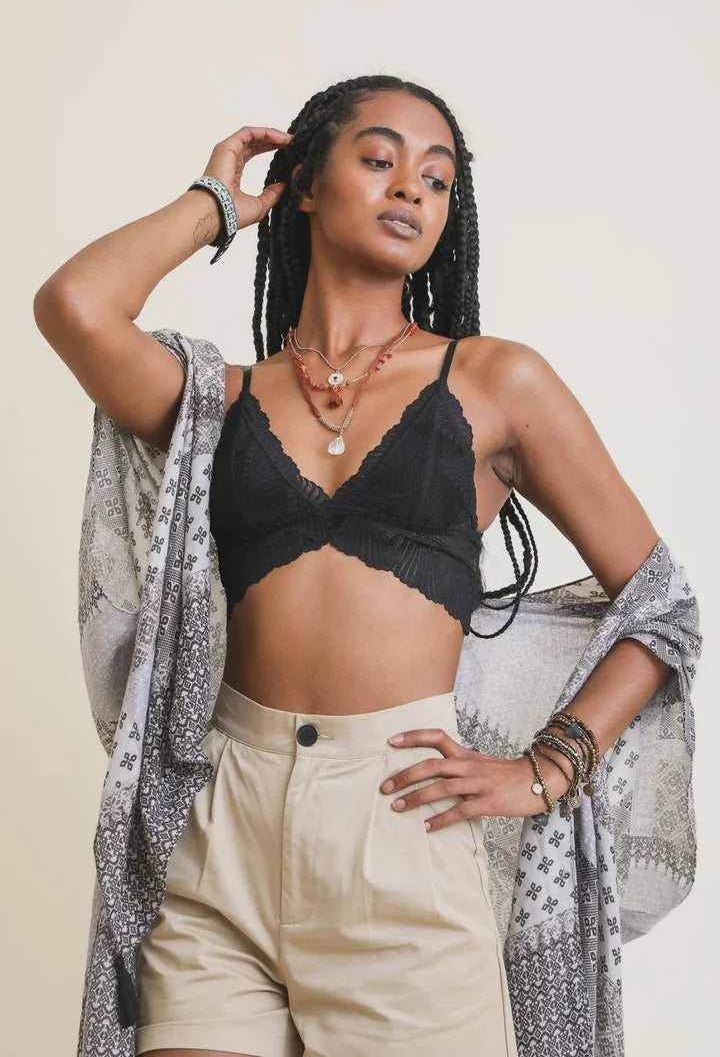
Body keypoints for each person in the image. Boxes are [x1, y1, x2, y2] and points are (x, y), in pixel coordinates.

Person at [34, 74, 701, 1057]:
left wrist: (548, 766)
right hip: (222, 824)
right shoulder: (218, 398)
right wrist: (216, 203)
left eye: (436, 179)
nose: (410, 191)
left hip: (401, 825)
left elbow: (662, 604)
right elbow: (77, 307)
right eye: (379, 159)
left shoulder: (494, 381)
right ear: (305, 183)